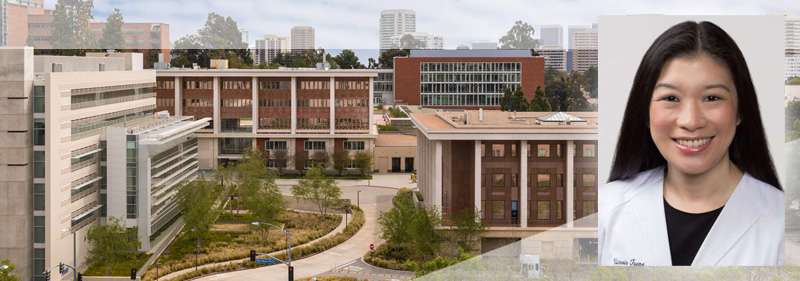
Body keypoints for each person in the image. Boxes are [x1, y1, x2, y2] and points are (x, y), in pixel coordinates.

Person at [598, 21, 784, 266]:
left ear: (740, 111)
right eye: (671, 98)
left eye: (712, 97)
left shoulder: (782, 223)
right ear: (645, 112)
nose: (691, 121)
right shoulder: (606, 209)